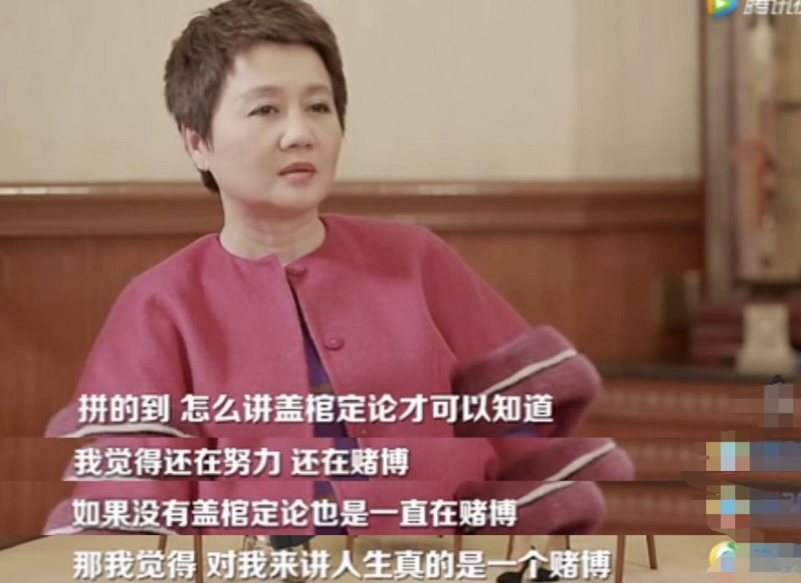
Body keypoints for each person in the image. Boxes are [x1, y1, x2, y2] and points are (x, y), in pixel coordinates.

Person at [44, 0, 633, 546]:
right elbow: (131, 496)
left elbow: (520, 442)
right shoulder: (161, 303)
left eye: (319, 106)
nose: (300, 133)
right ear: (197, 142)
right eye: (266, 109)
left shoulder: (416, 259)